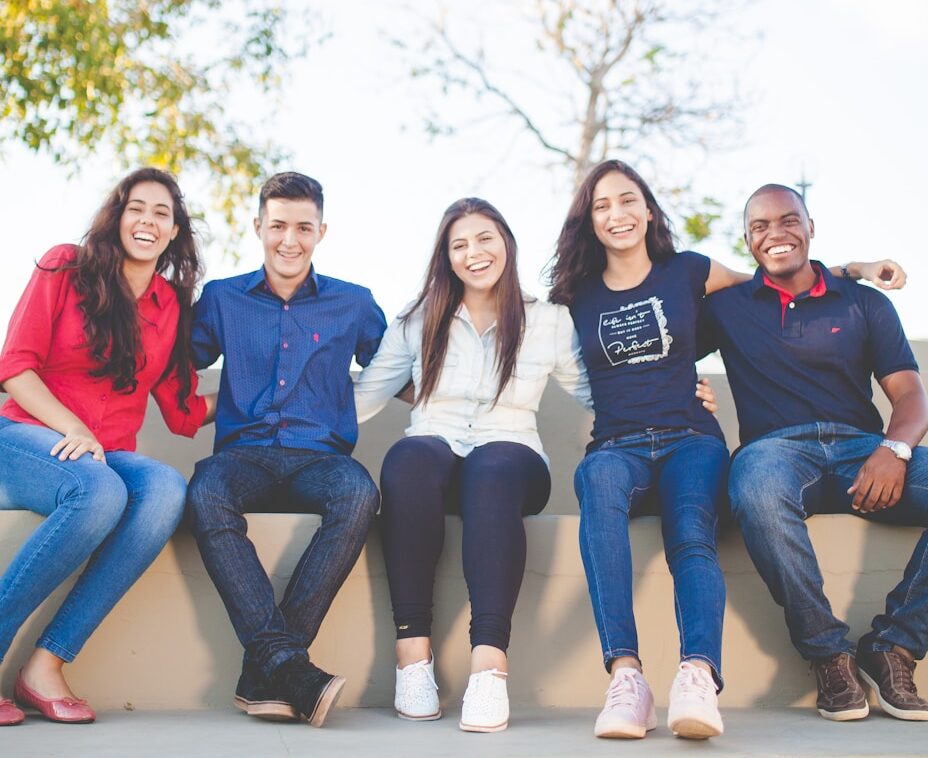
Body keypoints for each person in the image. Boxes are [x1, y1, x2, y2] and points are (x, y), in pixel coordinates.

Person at [546, 159, 902, 740]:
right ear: (588, 219)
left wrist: (854, 268)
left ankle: (697, 676)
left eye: (629, 200)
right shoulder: (573, 296)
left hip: (692, 438)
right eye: (603, 205)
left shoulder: (689, 272)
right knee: (599, 489)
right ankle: (627, 677)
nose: (618, 214)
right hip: (616, 444)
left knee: (691, 531)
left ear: (648, 209)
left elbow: (776, 280)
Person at [352, 197, 714, 733]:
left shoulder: (548, 321)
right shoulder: (418, 318)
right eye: (459, 244)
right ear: (446, 257)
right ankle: (413, 659)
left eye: (484, 239)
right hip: (434, 451)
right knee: (407, 458)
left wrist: (676, 396)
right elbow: (365, 395)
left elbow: (602, 391)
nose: (474, 253)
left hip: (512, 456)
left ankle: (489, 667)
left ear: (506, 244)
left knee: (493, 470)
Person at [703, 183, 928, 723]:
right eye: (759, 226)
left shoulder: (864, 302)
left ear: (809, 227)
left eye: (787, 221)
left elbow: (910, 394)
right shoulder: (726, 308)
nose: (775, 233)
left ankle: (893, 646)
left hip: (864, 452)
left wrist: (895, 449)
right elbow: (667, 304)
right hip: (775, 453)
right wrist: (684, 389)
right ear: (747, 240)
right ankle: (829, 656)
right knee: (753, 488)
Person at [0, 168, 213, 726]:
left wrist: (268, 394)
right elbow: (15, 368)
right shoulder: (65, 265)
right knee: (98, 493)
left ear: (174, 232)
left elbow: (182, 410)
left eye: (161, 213)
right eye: (136, 207)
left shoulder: (170, 306)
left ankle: (45, 665)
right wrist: (72, 427)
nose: (147, 220)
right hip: (26, 434)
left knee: (166, 489)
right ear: (118, 217)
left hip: (105, 453)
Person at [186, 172, 386, 728]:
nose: (289, 240)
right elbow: (173, 361)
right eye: (278, 226)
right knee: (204, 493)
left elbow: (404, 366)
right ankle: (291, 669)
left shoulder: (354, 303)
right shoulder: (223, 298)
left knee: (359, 494)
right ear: (258, 227)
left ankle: (269, 669)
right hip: (242, 455)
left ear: (322, 230)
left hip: (321, 458)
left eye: (303, 227)